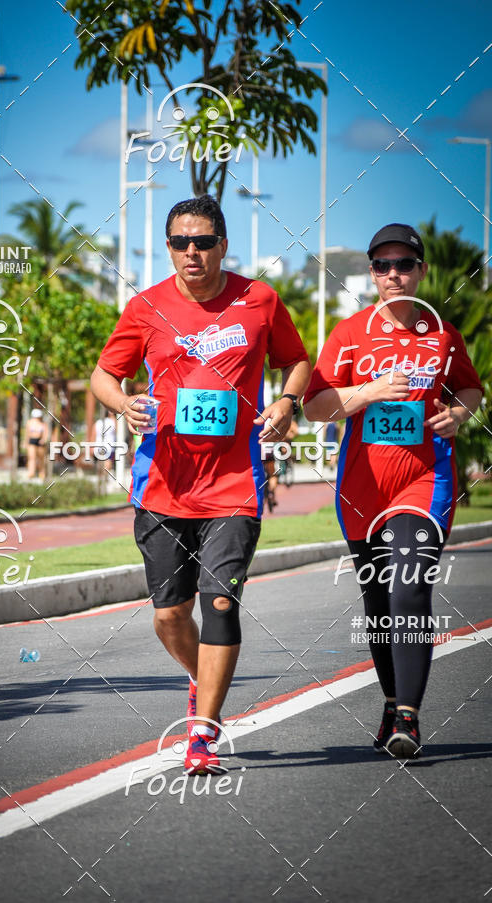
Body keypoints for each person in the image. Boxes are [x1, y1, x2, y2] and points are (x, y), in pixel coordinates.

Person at [90, 194, 311, 774]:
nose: (193, 252)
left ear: (223, 244)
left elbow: (297, 360)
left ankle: (203, 733)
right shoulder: (145, 307)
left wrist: (288, 402)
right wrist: (124, 403)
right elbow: (104, 374)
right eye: (181, 242)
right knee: (169, 615)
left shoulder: (258, 300)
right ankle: (201, 678)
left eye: (204, 241)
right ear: (168, 247)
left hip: (235, 482)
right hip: (161, 483)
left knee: (219, 600)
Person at [303, 223, 483, 759]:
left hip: (424, 478)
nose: (393, 274)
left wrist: (457, 414)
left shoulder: (443, 334)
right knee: (378, 601)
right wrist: (368, 391)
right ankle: (390, 701)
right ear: (372, 274)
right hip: (362, 486)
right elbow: (316, 407)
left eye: (403, 264)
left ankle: (409, 715)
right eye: (382, 266)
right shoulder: (350, 333)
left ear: (421, 271)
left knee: (408, 589)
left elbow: (470, 387)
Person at [25, 409, 48, 480]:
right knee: (32, 457)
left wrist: (44, 440)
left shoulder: (43, 424)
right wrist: (26, 442)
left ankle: (42, 472)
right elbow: (27, 434)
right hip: (32, 441)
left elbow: (46, 433)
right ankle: (31, 472)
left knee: (41, 458)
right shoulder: (29, 423)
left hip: (40, 442)